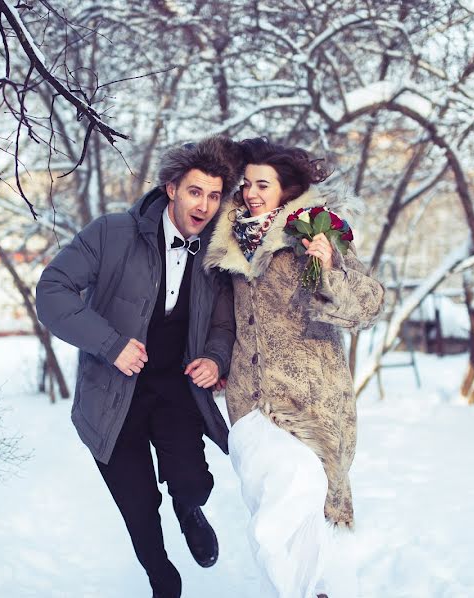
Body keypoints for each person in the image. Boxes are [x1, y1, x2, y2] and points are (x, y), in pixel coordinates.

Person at [36, 136, 239, 598]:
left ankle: (189, 510)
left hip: (175, 388)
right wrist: (110, 344)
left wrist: (215, 357)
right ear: (171, 188)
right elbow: (52, 291)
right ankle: (161, 577)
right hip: (113, 393)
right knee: (139, 505)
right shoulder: (112, 233)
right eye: (195, 192)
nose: (204, 205)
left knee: (193, 480)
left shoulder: (215, 253)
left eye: (213, 195)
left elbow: (223, 324)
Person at [204, 137, 385, 598]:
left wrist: (326, 270)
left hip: (312, 404)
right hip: (250, 405)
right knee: (274, 520)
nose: (250, 193)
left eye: (263, 184)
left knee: (303, 502)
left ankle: (313, 591)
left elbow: (367, 305)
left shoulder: (314, 234)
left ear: (286, 189)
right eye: (245, 184)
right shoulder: (226, 244)